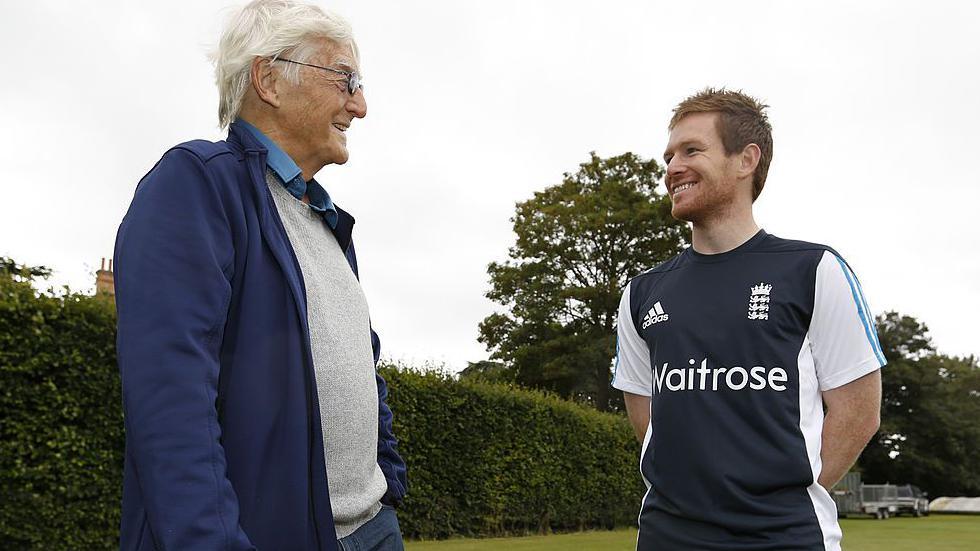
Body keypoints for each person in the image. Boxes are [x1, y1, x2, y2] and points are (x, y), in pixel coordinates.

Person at [113, 1, 407, 549]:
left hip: (374, 528)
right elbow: (172, 407)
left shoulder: (329, 223)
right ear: (268, 79)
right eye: (346, 79)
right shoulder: (197, 186)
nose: (360, 106)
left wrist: (387, 480)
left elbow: (363, 367)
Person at [612, 88, 884, 550]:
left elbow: (859, 411)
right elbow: (649, 417)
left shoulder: (814, 270)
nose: (672, 167)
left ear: (746, 160)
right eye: (669, 155)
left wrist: (780, 492)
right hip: (667, 535)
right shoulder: (642, 292)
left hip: (786, 536)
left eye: (692, 150)